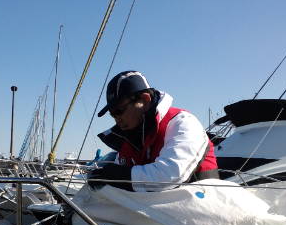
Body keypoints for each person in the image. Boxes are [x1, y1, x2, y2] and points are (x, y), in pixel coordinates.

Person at [89, 70, 218, 191]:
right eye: (112, 114)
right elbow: (119, 173)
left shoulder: (183, 122)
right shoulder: (128, 139)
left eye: (119, 111)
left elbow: (172, 173)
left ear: (145, 100)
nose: (117, 119)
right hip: (152, 207)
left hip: (200, 202)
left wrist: (119, 176)